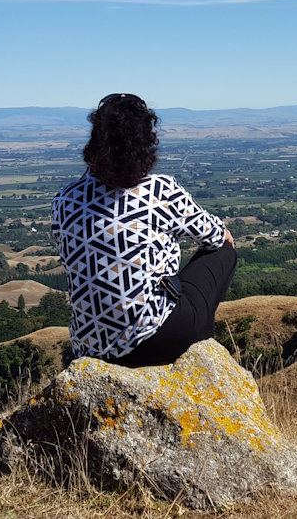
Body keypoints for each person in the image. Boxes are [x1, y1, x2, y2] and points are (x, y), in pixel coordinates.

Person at [51, 93, 237, 367]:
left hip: (90, 349)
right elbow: (215, 236)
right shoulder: (160, 190)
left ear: (95, 142)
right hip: (156, 340)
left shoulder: (64, 201)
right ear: (146, 144)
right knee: (224, 250)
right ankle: (198, 347)